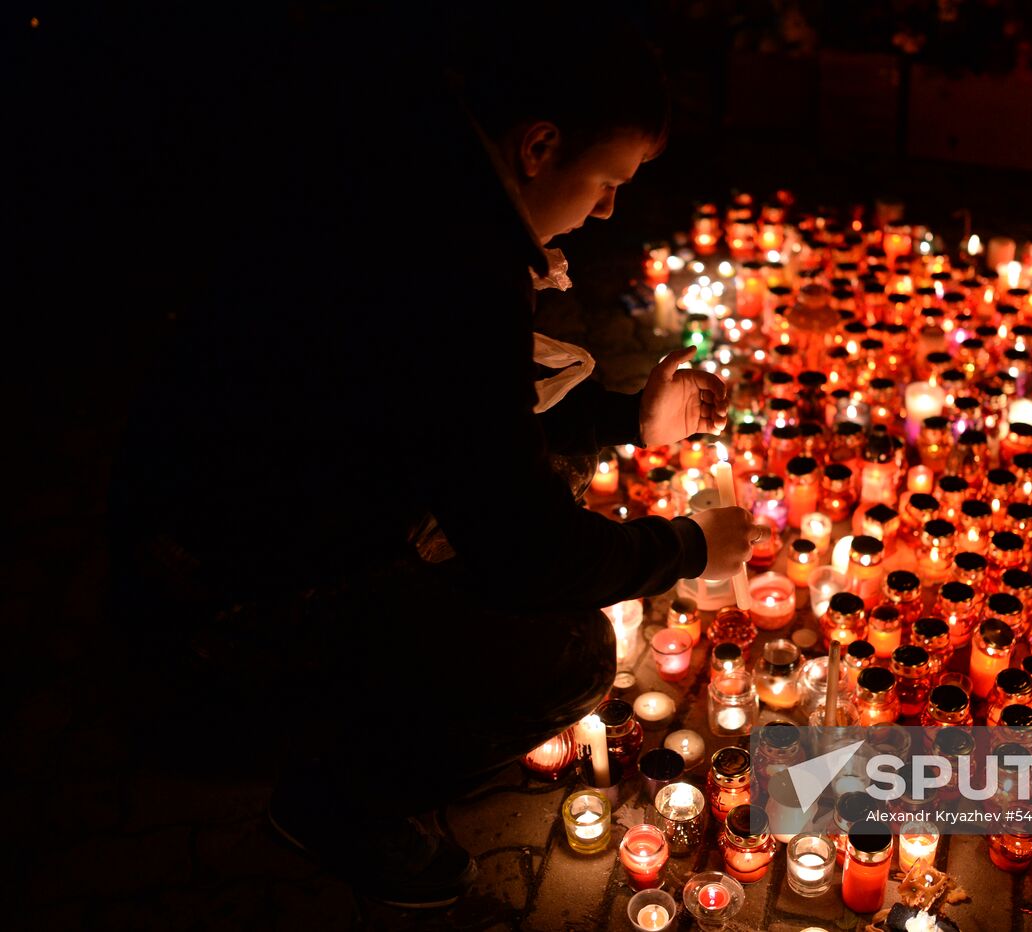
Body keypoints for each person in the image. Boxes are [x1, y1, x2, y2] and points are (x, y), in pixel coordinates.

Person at [107, 6, 759, 908]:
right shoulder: (447, 268)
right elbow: (524, 546)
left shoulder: (412, 184)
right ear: (538, 146)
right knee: (571, 653)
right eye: (608, 179)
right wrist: (688, 547)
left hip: (248, 523)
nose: (609, 207)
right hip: (225, 598)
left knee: (549, 514)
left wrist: (625, 422)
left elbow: (459, 422)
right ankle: (337, 803)